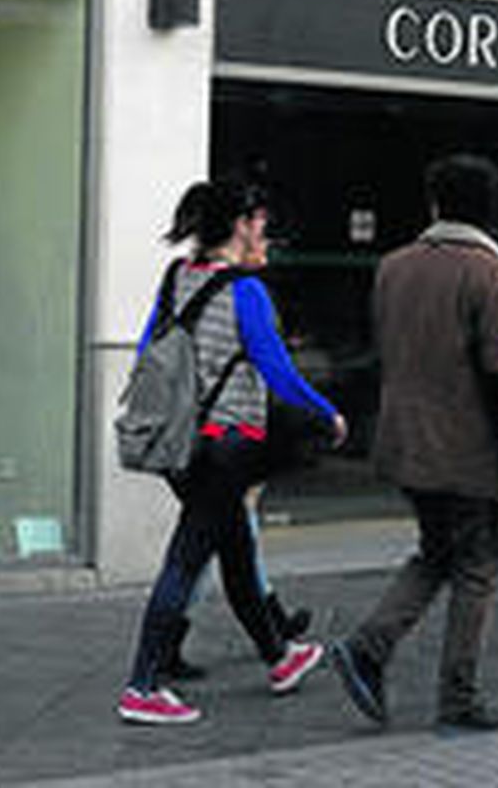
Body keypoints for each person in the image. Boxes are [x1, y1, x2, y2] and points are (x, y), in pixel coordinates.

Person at [330, 154, 498, 733]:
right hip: (470, 449)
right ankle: (455, 695)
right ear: (489, 211)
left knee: (435, 553)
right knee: (477, 567)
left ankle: (369, 648)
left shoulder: (394, 266)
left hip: (406, 442)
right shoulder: (489, 273)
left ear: (434, 204)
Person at [117, 179, 347, 726]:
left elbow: (152, 349)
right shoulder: (246, 291)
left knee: (238, 553)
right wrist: (328, 414)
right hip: (228, 445)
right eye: (259, 221)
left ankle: (280, 658)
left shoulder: (175, 277)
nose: (263, 229)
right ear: (240, 225)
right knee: (185, 561)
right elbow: (279, 374)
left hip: (182, 445)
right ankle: (142, 685)